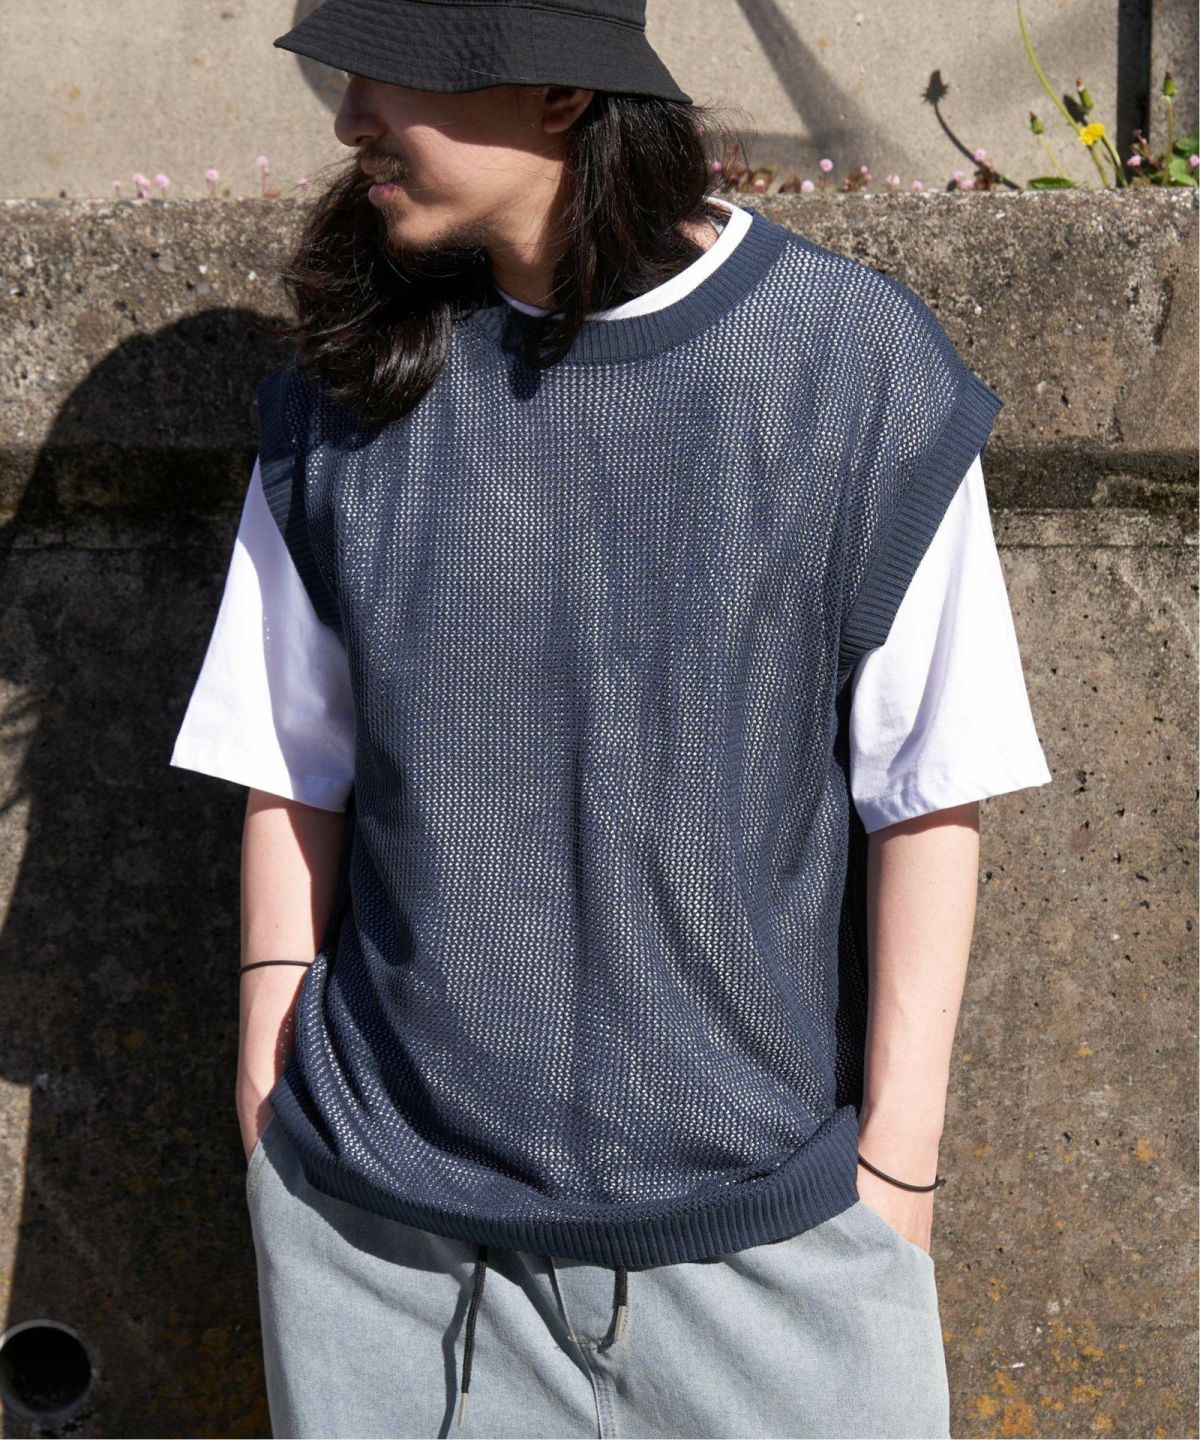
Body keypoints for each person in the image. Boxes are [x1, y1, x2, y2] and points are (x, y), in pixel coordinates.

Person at [169, 1, 1053, 1435]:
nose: (349, 118)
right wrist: (268, 1098)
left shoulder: (851, 372)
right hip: (386, 1261)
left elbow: (928, 789)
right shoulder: (346, 391)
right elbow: (289, 767)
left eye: (393, 72)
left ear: (563, 97)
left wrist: (897, 1178)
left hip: (773, 1256)